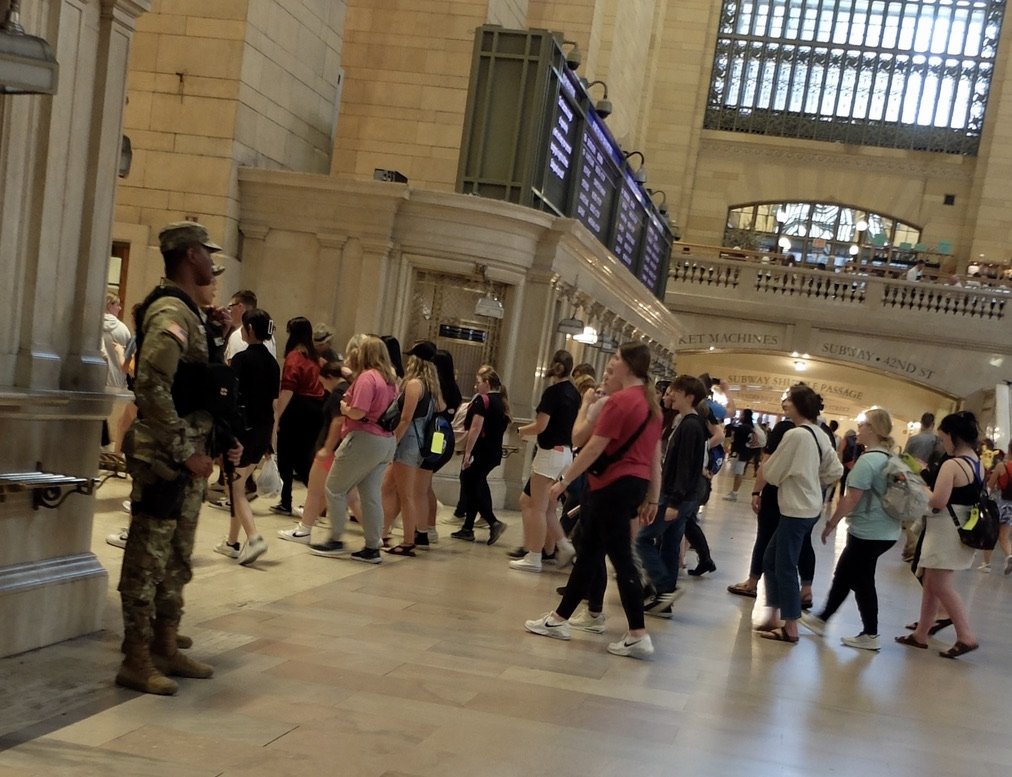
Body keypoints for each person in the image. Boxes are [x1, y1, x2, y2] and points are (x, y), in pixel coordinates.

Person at [116, 221, 242, 695]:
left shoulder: (192, 313)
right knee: (148, 559)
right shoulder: (170, 311)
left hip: (190, 456)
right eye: (208, 254)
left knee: (175, 557)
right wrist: (184, 449)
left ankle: (165, 645)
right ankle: (136, 657)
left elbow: (200, 387)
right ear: (191, 255)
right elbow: (150, 386)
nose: (213, 263)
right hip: (167, 459)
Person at [524, 343, 663, 660]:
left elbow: (591, 448)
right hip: (633, 485)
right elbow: (655, 460)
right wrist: (652, 496)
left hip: (611, 486)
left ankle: (638, 633)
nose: (611, 362)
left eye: (615, 357)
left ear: (627, 364)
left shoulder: (621, 402)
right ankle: (559, 619)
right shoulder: (650, 404)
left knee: (620, 558)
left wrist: (564, 480)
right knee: (589, 552)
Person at [800, 408, 902, 651]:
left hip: (868, 531)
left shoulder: (868, 460)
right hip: (886, 530)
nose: (860, 428)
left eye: (864, 424)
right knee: (845, 573)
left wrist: (831, 523)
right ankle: (822, 620)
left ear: (875, 429)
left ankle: (871, 634)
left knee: (862, 580)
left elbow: (850, 498)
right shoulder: (889, 457)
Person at [751, 385, 843, 644]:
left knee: (785, 565)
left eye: (788, 400)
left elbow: (772, 474)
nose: (784, 404)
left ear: (799, 405)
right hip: (808, 506)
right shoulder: (820, 433)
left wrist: (771, 467)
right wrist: (814, 480)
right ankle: (774, 615)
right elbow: (835, 471)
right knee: (771, 559)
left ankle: (790, 626)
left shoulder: (795, 436)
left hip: (795, 508)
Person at [896, 412, 981, 658]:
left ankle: (966, 635)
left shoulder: (952, 464)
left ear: (954, 437)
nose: (943, 444)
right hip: (961, 529)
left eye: (944, 440)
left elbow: (938, 500)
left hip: (945, 530)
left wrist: (919, 485)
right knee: (932, 584)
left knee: (941, 586)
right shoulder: (975, 462)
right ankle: (921, 634)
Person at [309, 335, 398, 563]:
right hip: (385, 441)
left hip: (363, 438)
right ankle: (372, 545)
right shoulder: (390, 380)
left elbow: (358, 411)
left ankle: (336, 539)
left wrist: (346, 408)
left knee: (335, 488)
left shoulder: (368, 378)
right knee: (370, 495)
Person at [212, 309, 279, 566]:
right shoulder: (273, 363)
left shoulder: (241, 359)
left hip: (243, 432)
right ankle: (231, 542)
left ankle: (254, 538)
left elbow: (231, 396)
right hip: (263, 431)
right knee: (237, 486)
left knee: (236, 489)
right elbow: (272, 403)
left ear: (249, 329)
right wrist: (270, 445)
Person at [637, 375, 708, 617]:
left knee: (642, 540)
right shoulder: (689, 422)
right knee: (668, 545)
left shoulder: (689, 425)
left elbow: (686, 466)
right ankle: (664, 600)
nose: (669, 394)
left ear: (689, 396)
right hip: (682, 496)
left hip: (677, 497)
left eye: (675, 391)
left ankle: (665, 588)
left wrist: (674, 502)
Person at [510, 350, 581, 572]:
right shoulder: (574, 393)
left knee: (537, 507)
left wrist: (521, 430)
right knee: (543, 505)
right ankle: (562, 545)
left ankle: (533, 556)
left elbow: (541, 426)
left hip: (549, 453)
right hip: (565, 453)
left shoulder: (552, 393)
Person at [380, 340, 444, 556]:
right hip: (415, 442)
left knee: (406, 495)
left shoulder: (415, 384)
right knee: (388, 488)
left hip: (407, 442)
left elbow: (406, 418)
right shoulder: (431, 386)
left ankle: (408, 541)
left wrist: (392, 443)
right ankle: (382, 533)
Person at [450, 365, 510, 545]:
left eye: (478, 382)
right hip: (493, 451)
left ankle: (493, 521)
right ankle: (468, 527)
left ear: (487, 383)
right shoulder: (501, 402)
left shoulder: (482, 401)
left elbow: (475, 428)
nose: (476, 386)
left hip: (480, 450)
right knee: (474, 483)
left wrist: (467, 452)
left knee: (473, 485)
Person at [270, 317, 325, 516]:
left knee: (286, 455)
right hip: (316, 410)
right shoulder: (316, 357)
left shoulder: (294, 357)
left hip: (297, 408)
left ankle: (286, 500)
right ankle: (319, 501)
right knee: (304, 458)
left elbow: (288, 390)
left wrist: (277, 416)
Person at [416, 348, 463, 545]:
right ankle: (429, 526)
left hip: (435, 436)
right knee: (426, 485)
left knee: (422, 486)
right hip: (446, 435)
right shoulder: (455, 389)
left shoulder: (439, 387)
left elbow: (439, 409)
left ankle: (424, 529)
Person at [984, 443, 1012, 575]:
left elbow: (990, 485)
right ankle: (1009, 557)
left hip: (1000, 504)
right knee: (1004, 537)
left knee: (991, 533)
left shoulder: (1002, 466)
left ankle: (987, 564)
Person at [723, 409, 757, 500]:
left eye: (742, 415)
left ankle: (734, 493)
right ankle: (734, 491)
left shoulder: (743, 427)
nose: (740, 417)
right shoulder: (750, 427)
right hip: (745, 452)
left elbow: (730, 428)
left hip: (741, 453)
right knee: (738, 472)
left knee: (739, 472)